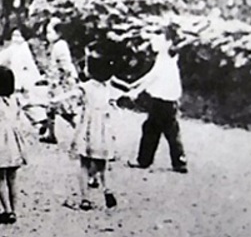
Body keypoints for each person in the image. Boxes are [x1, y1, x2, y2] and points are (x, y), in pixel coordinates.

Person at [46, 51, 120, 211]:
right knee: (102, 164)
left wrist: (54, 100)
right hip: (103, 130)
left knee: (84, 163)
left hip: (88, 129)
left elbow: (71, 95)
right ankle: (107, 190)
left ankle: (85, 198)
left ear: (91, 70)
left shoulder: (86, 87)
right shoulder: (107, 88)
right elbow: (114, 102)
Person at [125, 27, 188, 173]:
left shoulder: (166, 60)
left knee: (151, 129)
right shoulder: (165, 57)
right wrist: (134, 84)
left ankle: (144, 161)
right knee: (171, 131)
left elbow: (153, 78)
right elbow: (151, 74)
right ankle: (180, 162)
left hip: (161, 101)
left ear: (168, 43)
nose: (153, 43)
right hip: (168, 102)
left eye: (157, 40)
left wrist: (136, 91)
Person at [0, 28, 47, 130]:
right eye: (14, 35)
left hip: (24, 82)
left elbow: (31, 68)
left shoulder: (24, 49)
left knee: (27, 105)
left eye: (19, 36)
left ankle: (39, 124)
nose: (16, 38)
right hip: (15, 82)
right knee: (22, 106)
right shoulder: (14, 49)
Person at [0, 64, 29, 225]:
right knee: (13, 178)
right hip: (14, 142)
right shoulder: (15, 101)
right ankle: (15, 210)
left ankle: (7, 210)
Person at [41, 20, 80, 144]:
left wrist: (67, 79)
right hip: (56, 82)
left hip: (61, 83)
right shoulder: (57, 45)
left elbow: (64, 65)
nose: (47, 35)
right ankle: (51, 134)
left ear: (59, 33)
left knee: (65, 112)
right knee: (51, 110)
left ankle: (81, 132)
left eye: (50, 32)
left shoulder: (59, 46)